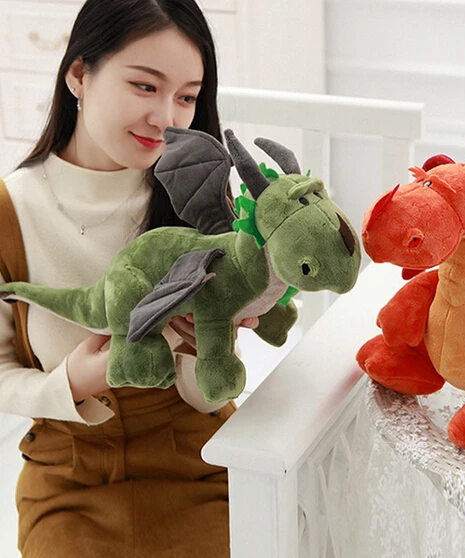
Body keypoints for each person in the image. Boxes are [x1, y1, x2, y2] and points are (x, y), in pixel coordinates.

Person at [0, 0, 256, 555]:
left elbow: (205, 397)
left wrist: (214, 340)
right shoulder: (9, 212)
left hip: (199, 460)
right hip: (68, 477)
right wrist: (72, 383)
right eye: (145, 86)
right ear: (79, 74)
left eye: (186, 96)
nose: (167, 118)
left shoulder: (199, 201)